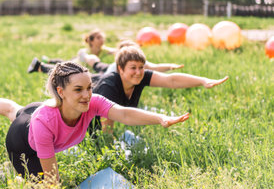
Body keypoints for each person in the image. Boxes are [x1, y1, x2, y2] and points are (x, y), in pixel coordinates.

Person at [0, 61, 189, 183]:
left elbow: (123, 114)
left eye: (88, 88)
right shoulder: (45, 123)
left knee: (13, 109)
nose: (86, 95)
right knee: (36, 188)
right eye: (78, 90)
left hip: (34, 112)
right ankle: (10, 168)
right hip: (23, 143)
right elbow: (52, 177)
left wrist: (160, 118)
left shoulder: (92, 102)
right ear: (61, 91)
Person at [92, 46, 228, 132]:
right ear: (120, 69)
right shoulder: (108, 87)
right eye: (133, 67)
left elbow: (171, 80)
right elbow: (109, 126)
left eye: (141, 67)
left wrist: (203, 81)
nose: (138, 72)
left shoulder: (140, 76)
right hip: (85, 124)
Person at [27, 29, 115, 74]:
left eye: (102, 37)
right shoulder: (86, 51)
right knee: (59, 71)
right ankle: (39, 66)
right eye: (98, 38)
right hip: (75, 67)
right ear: (91, 41)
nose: (102, 40)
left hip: (81, 71)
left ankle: (43, 63)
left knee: (61, 63)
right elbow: (81, 53)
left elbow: (116, 51)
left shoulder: (103, 50)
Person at [79, 40, 184, 75]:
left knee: (97, 63)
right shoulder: (114, 70)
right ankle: (84, 55)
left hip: (113, 68)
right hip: (107, 71)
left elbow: (155, 67)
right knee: (96, 63)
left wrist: (170, 66)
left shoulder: (139, 63)